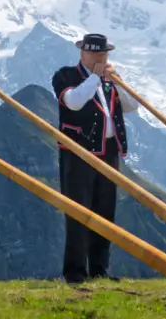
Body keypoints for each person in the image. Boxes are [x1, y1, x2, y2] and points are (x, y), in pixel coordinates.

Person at [51, 32, 140, 284]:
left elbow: (132, 106)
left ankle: (100, 269)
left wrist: (119, 83)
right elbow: (74, 102)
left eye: (103, 54)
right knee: (78, 211)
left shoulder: (110, 81)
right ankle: (75, 272)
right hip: (77, 153)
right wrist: (94, 78)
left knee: (104, 211)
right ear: (83, 54)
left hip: (108, 152)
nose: (100, 59)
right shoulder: (65, 75)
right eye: (95, 54)